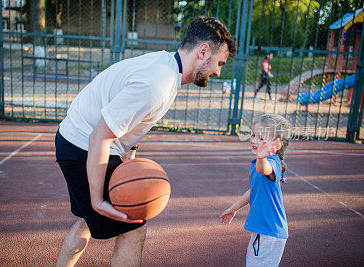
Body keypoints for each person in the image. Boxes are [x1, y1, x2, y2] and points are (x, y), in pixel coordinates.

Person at [55, 16, 237, 267]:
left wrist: (128, 154)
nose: (218, 71)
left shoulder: (164, 66)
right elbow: (100, 136)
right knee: (133, 229)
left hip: (77, 139)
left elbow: (125, 120)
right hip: (84, 145)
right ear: (203, 51)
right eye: (219, 62)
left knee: (86, 221)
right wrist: (97, 200)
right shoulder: (157, 85)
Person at [220, 113, 291, 267]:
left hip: (268, 231)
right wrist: (234, 208)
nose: (254, 140)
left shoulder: (272, 163)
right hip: (267, 230)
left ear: (277, 145)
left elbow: (264, 169)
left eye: (261, 138)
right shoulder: (262, 161)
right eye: (253, 135)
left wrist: (262, 156)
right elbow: (254, 190)